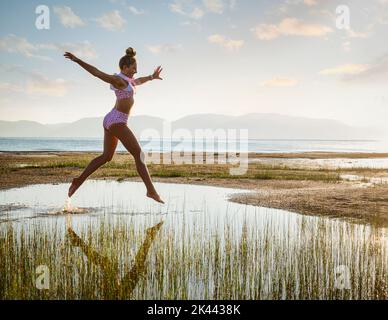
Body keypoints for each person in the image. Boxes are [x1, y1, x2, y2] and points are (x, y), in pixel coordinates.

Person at [64, 47, 164, 204]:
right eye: (133, 68)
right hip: (117, 121)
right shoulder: (118, 80)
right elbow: (97, 73)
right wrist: (77, 60)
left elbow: (139, 81)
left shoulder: (129, 81)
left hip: (111, 119)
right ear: (124, 67)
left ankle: (78, 180)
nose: (135, 71)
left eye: (136, 69)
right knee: (139, 155)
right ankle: (151, 191)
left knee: (106, 157)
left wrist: (152, 77)